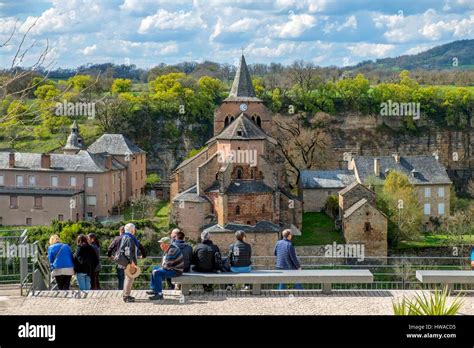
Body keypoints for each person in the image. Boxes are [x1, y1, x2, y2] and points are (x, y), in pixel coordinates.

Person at [119, 223, 140, 302]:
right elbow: (129, 251)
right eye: (134, 229)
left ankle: (126, 294)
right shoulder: (130, 238)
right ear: (132, 230)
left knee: (127, 278)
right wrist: (132, 262)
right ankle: (126, 296)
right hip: (129, 261)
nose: (134, 231)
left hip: (125, 260)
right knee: (129, 278)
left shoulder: (125, 237)